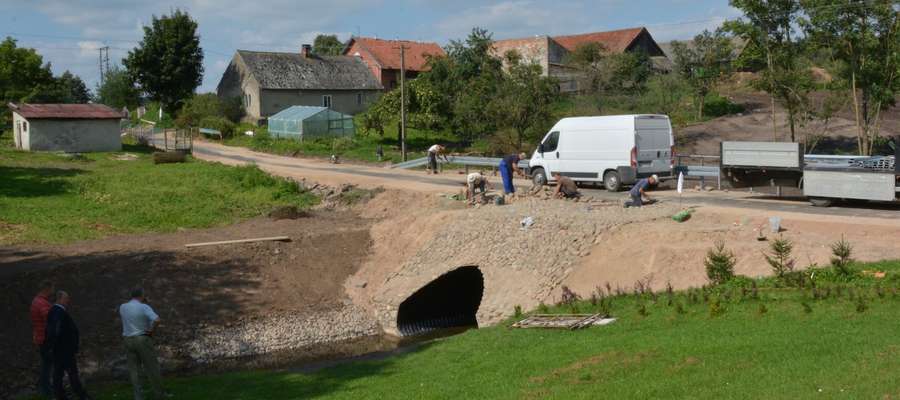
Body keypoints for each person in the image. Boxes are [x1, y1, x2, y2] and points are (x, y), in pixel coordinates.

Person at [119, 288, 166, 400]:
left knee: (134, 370)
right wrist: (152, 330)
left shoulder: (122, 307)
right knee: (152, 367)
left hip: (127, 339)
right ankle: (159, 394)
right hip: (142, 339)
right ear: (142, 295)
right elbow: (157, 320)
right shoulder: (144, 307)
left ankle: (138, 396)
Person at [45, 291, 91, 400]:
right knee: (72, 373)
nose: (68, 300)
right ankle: (81, 395)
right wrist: (65, 345)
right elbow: (55, 330)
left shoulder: (54, 311)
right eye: (66, 298)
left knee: (58, 373)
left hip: (59, 349)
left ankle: (60, 395)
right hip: (65, 350)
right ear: (59, 299)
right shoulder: (58, 312)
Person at [31, 281, 55, 398]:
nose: (52, 291)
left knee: (46, 363)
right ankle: (47, 389)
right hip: (46, 339)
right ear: (47, 288)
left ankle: (44, 387)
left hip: (39, 337)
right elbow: (49, 322)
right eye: (51, 289)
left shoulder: (35, 301)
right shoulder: (43, 304)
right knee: (49, 364)